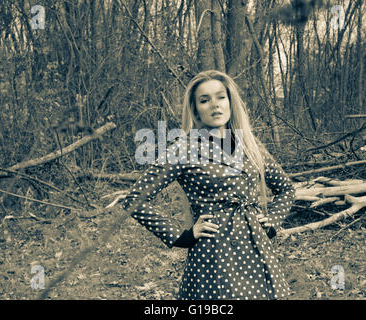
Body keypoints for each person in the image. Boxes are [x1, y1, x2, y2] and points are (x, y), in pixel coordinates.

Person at [122, 70, 295, 300]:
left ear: (230, 101)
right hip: (214, 257)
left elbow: (286, 188)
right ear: (195, 110)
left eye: (221, 97)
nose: (215, 105)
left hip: (256, 253)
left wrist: (271, 221)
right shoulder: (183, 148)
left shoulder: (249, 144)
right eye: (205, 100)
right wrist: (182, 236)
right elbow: (135, 199)